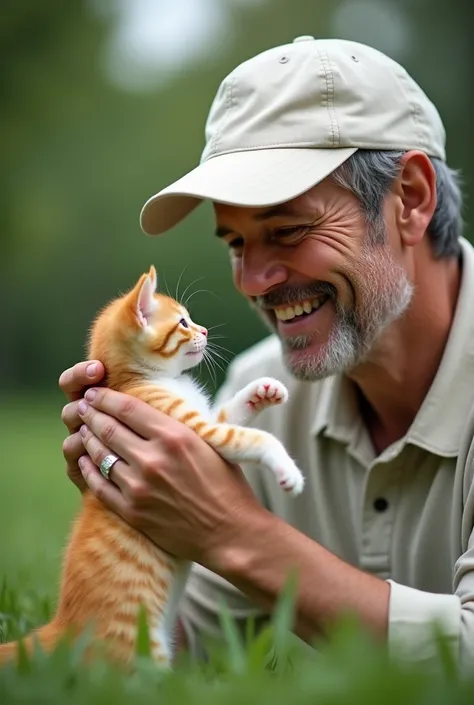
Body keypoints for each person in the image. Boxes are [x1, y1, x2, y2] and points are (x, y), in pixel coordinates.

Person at [59, 37, 474, 671]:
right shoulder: (260, 390)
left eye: (287, 231)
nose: (253, 281)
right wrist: (134, 510)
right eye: (235, 242)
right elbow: (186, 656)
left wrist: (232, 532)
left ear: (411, 200)